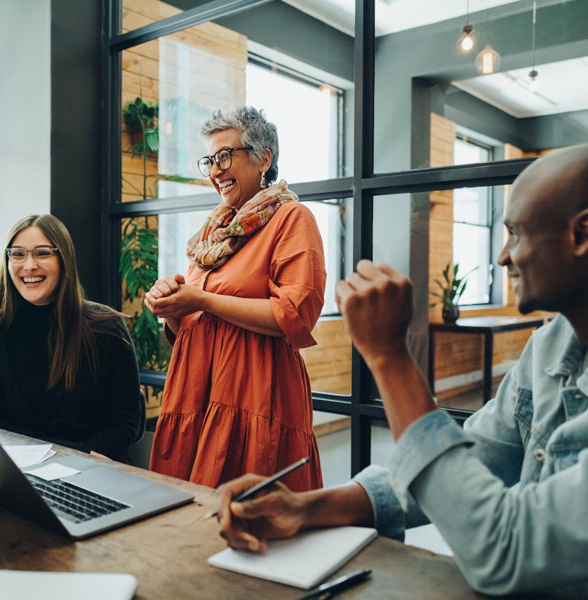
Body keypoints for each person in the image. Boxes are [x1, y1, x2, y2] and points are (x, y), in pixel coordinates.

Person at [214, 145, 588, 596]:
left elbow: (504, 548)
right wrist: (306, 507)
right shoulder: (548, 346)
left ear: (582, 235)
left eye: (517, 234)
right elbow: (467, 465)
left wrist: (389, 357)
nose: (503, 257)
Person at [145, 106, 326, 491]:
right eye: (209, 160)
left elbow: (293, 315)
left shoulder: (292, 218)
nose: (215, 170)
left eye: (225, 155)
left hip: (255, 396)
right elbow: (190, 326)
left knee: (253, 519)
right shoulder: (213, 233)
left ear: (264, 158)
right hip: (195, 392)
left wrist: (203, 300)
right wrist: (171, 306)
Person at [0, 214, 144, 460]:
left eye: (42, 253)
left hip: (93, 469)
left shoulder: (107, 327)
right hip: (20, 471)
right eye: (18, 253)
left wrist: (77, 458)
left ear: (64, 260)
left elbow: (126, 424)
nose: (29, 265)